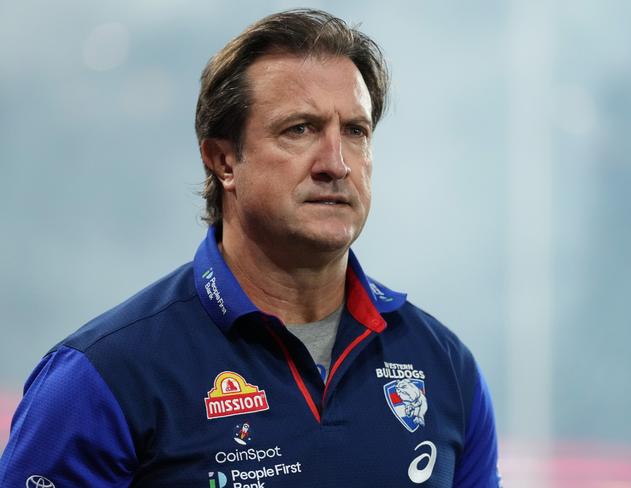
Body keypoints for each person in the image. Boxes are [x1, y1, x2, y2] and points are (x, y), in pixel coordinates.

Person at [0, 9, 500, 487]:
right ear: (223, 161)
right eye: (299, 129)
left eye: (355, 131)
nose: (336, 163)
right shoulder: (102, 376)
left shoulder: (445, 368)